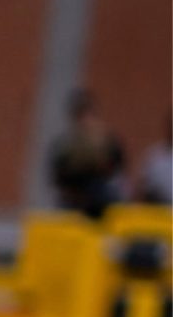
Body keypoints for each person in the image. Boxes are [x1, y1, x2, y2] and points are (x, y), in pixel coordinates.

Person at [49, 89, 127, 219]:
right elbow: (57, 178)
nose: (85, 121)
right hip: (73, 199)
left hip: (102, 198)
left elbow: (118, 170)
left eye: (88, 114)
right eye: (81, 115)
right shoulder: (64, 144)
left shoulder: (108, 141)